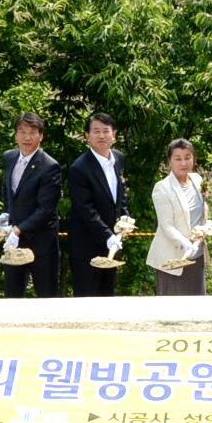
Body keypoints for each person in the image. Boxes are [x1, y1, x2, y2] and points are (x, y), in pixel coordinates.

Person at [0, 114, 62, 298]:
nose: (27, 137)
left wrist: (18, 230)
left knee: (46, 294)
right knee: (12, 295)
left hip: (41, 240)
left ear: (41, 136)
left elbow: (46, 208)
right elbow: (7, 190)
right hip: (13, 240)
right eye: (22, 132)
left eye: (32, 132)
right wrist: (5, 214)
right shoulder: (9, 157)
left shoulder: (49, 166)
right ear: (16, 134)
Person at [66, 112, 131, 297]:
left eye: (106, 131)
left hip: (112, 241)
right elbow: (85, 208)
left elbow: (120, 194)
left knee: (108, 292)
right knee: (87, 295)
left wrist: (124, 217)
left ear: (114, 134)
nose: (101, 135)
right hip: (86, 243)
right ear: (87, 135)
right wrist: (107, 235)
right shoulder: (79, 168)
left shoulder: (118, 158)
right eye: (96, 131)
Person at [150, 138, 211, 295]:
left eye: (187, 157)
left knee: (196, 304)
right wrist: (185, 242)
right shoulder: (162, 188)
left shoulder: (197, 180)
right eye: (178, 159)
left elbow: (201, 212)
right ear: (170, 161)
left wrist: (207, 226)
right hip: (173, 256)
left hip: (196, 255)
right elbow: (166, 225)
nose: (184, 163)